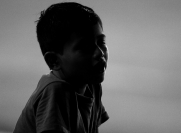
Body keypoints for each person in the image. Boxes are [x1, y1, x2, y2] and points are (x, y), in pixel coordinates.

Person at [13, 2, 109, 133]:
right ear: (54, 61)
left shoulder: (92, 85)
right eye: (86, 47)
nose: (100, 53)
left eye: (101, 42)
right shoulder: (55, 91)